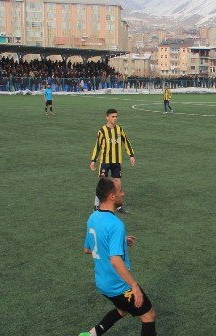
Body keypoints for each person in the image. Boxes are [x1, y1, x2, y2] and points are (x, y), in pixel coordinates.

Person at [80, 178, 157, 336]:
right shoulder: (116, 225)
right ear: (112, 196)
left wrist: (120, 241)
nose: (123, 193)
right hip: (118, 286)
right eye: (120, 190)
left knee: (122, 310)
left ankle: (91, 334)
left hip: (102, 283)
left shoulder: (93, 217)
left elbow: (88, 249)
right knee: (149, 316)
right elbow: (115, 260)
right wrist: (134, 286)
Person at [90, 109, 136, 213]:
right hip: (105, 161)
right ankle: (97, 204)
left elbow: (126, 142)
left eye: (116, 116)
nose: (115, 118)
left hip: (116, 161)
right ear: (107, 117)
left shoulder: (120, 130)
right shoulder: (102, 131)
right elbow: (97, 146)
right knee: (103, 182)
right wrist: (93, 160)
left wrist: (131, 155)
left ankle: (119, 206)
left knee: (118, 183)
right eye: (112, 116)